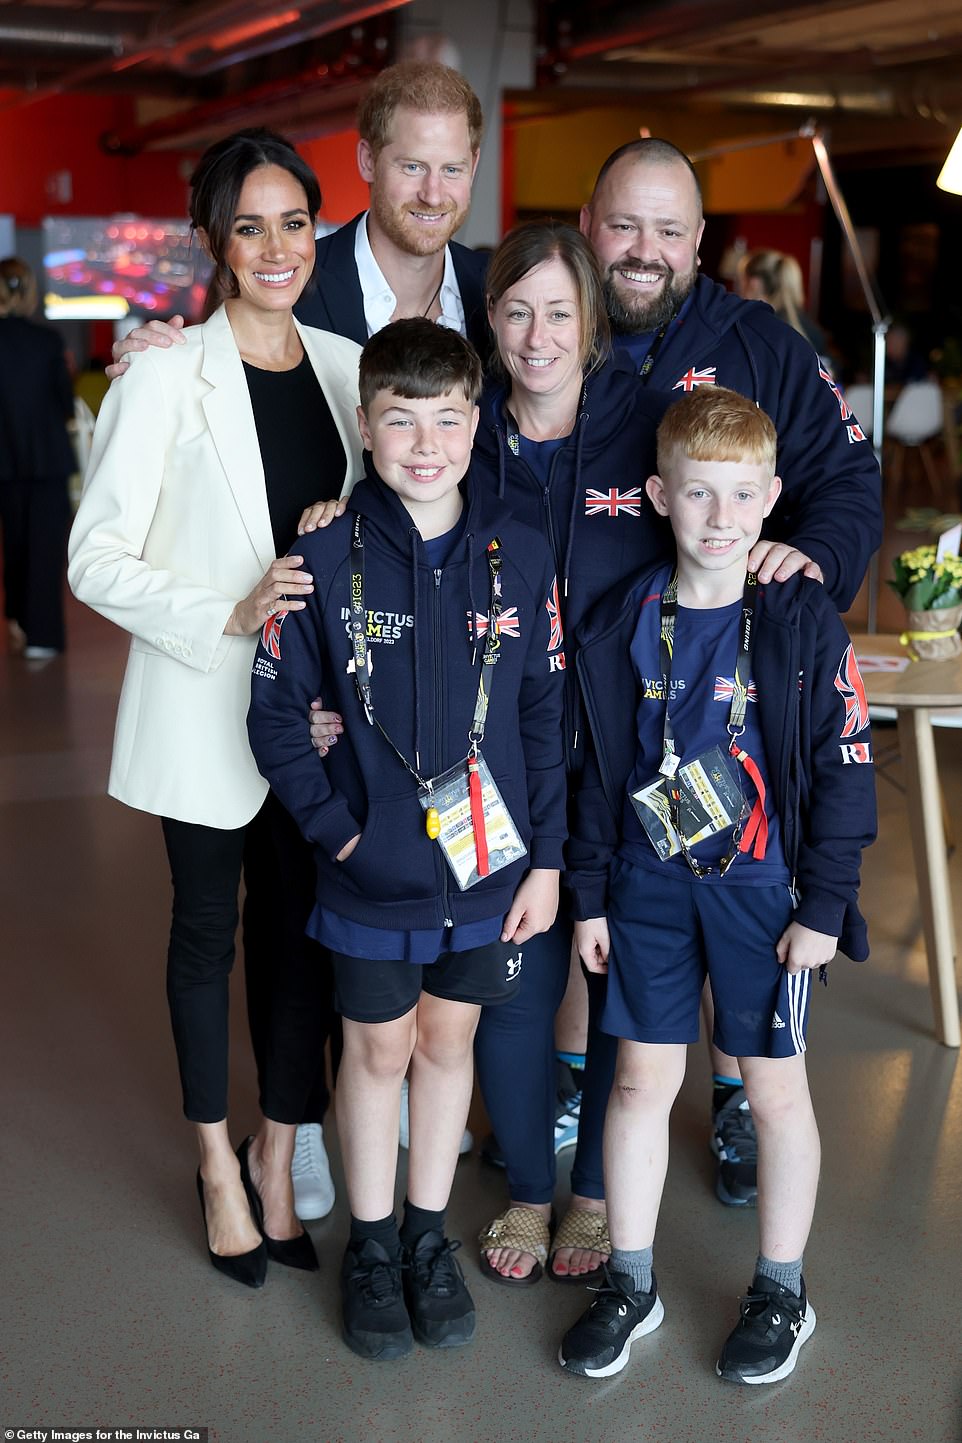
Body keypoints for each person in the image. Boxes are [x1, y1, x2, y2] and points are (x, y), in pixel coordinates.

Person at [67, 128, 364, 1287]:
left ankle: (279, 1157)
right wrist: (226, 613)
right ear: (213, 242)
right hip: (202, 706)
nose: (277, 246)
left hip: (319, 725)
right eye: (251, 225)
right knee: (206, 936)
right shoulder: (162, 373)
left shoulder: (349, 367)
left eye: (295, 222)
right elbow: (95, 558)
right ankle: (212, 1164)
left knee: (303, 943)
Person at [246, 317, 567, 1359]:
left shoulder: (518, 555)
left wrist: (547, 857)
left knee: (448, 1044)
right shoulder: (319, 553)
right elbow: (273, 718)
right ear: (363, 423)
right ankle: (373, 1248)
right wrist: (339, 838)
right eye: (399, 421)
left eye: (444, 420)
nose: (423, 445)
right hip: (367, 875)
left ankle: (428, 1239)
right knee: (377, 1050)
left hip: (486, 871)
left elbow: (538, 719)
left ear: (475, 423)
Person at [580, 136, 882, 1206]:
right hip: (574, 679)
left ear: (698, 243)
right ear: (587, 224)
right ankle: (587, 1109)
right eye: (624, 225)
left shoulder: (759, 343)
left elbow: (846, 477)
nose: (644, 250)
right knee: (604, 907)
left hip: (724, 690)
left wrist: (814, 558)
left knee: (723, 892)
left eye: (669, 230)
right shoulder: (545, 326)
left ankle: (735, 1098)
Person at [557, 385, 876, 1384]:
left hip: (762, 896)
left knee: (774, 1093)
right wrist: (591, 894)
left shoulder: (799, 622)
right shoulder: (621, 620)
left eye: (742, 497)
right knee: (640, 1082)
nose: (720, 519)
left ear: (772, 496)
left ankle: (780, 1290)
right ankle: (631, 1281)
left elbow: (843, 772)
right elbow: (591, 771)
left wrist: (822, 908)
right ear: (658, 494)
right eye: (698, 495)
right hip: (645, 889)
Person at [468, 220, 668, 1287]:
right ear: (489, 320)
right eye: (515, 310)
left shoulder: (647, 427)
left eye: (558, 311)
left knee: (613, 979)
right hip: (501, 760)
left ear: (591, 322)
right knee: (516, 974)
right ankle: (530, 1195)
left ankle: (591, 1194)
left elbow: (735, 502)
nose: (537, 334)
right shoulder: (463, 433)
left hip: (629, 759)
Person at [0, 257, 76, 659]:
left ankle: (15, 618)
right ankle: (41, 636)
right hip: (46, 458)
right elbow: (64, 403)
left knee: (13, 543)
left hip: (4, 462)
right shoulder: (47, 342)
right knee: (44, 548)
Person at [736, 248, 829, 360]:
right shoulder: (811, 330)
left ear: (754, 283)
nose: (738, 287)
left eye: (741, 279)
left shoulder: (752, 329)